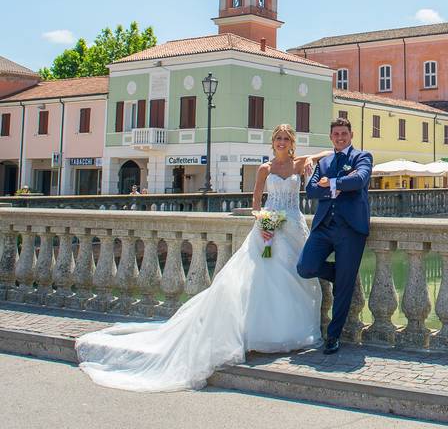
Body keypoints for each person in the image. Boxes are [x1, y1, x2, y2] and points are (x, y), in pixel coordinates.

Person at [74, 124, 331, 392]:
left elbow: (326, 154)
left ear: (292, 143)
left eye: (285, 139)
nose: (280, 142)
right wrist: (264, 222)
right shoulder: (265, 169)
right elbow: (257, 201)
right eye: (277, 138)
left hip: (293, 228)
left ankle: (292, 332)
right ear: (272, 142)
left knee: (296, 278)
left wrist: (314, 157)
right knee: (263, 280)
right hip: (269, 229)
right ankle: (264, 333)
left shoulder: (300, 164)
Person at [297, 117, 373, 355]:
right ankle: (341, 277)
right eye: (336, 134)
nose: (340, 137)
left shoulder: (362, 157)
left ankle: (333, 336)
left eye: (344, 133)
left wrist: (330, 183)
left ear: (351, 135)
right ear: (331, 137)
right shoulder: (325, 161)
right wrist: (339, 186)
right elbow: (310, 190)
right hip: (324, 226)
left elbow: (359, 180)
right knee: (305, 267)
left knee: (344, 289)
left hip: (351, 229)